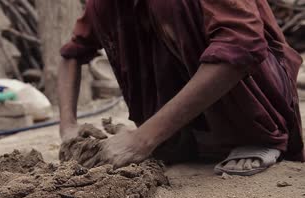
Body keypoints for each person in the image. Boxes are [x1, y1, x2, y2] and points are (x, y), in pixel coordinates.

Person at [57, 0, 304, 176]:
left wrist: (141, 139)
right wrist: (68, 128)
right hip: (179, 120)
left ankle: (256, 134)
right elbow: (72, 54)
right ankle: (181, 137)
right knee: (106, 8)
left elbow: (242, 44)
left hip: (257, 96)